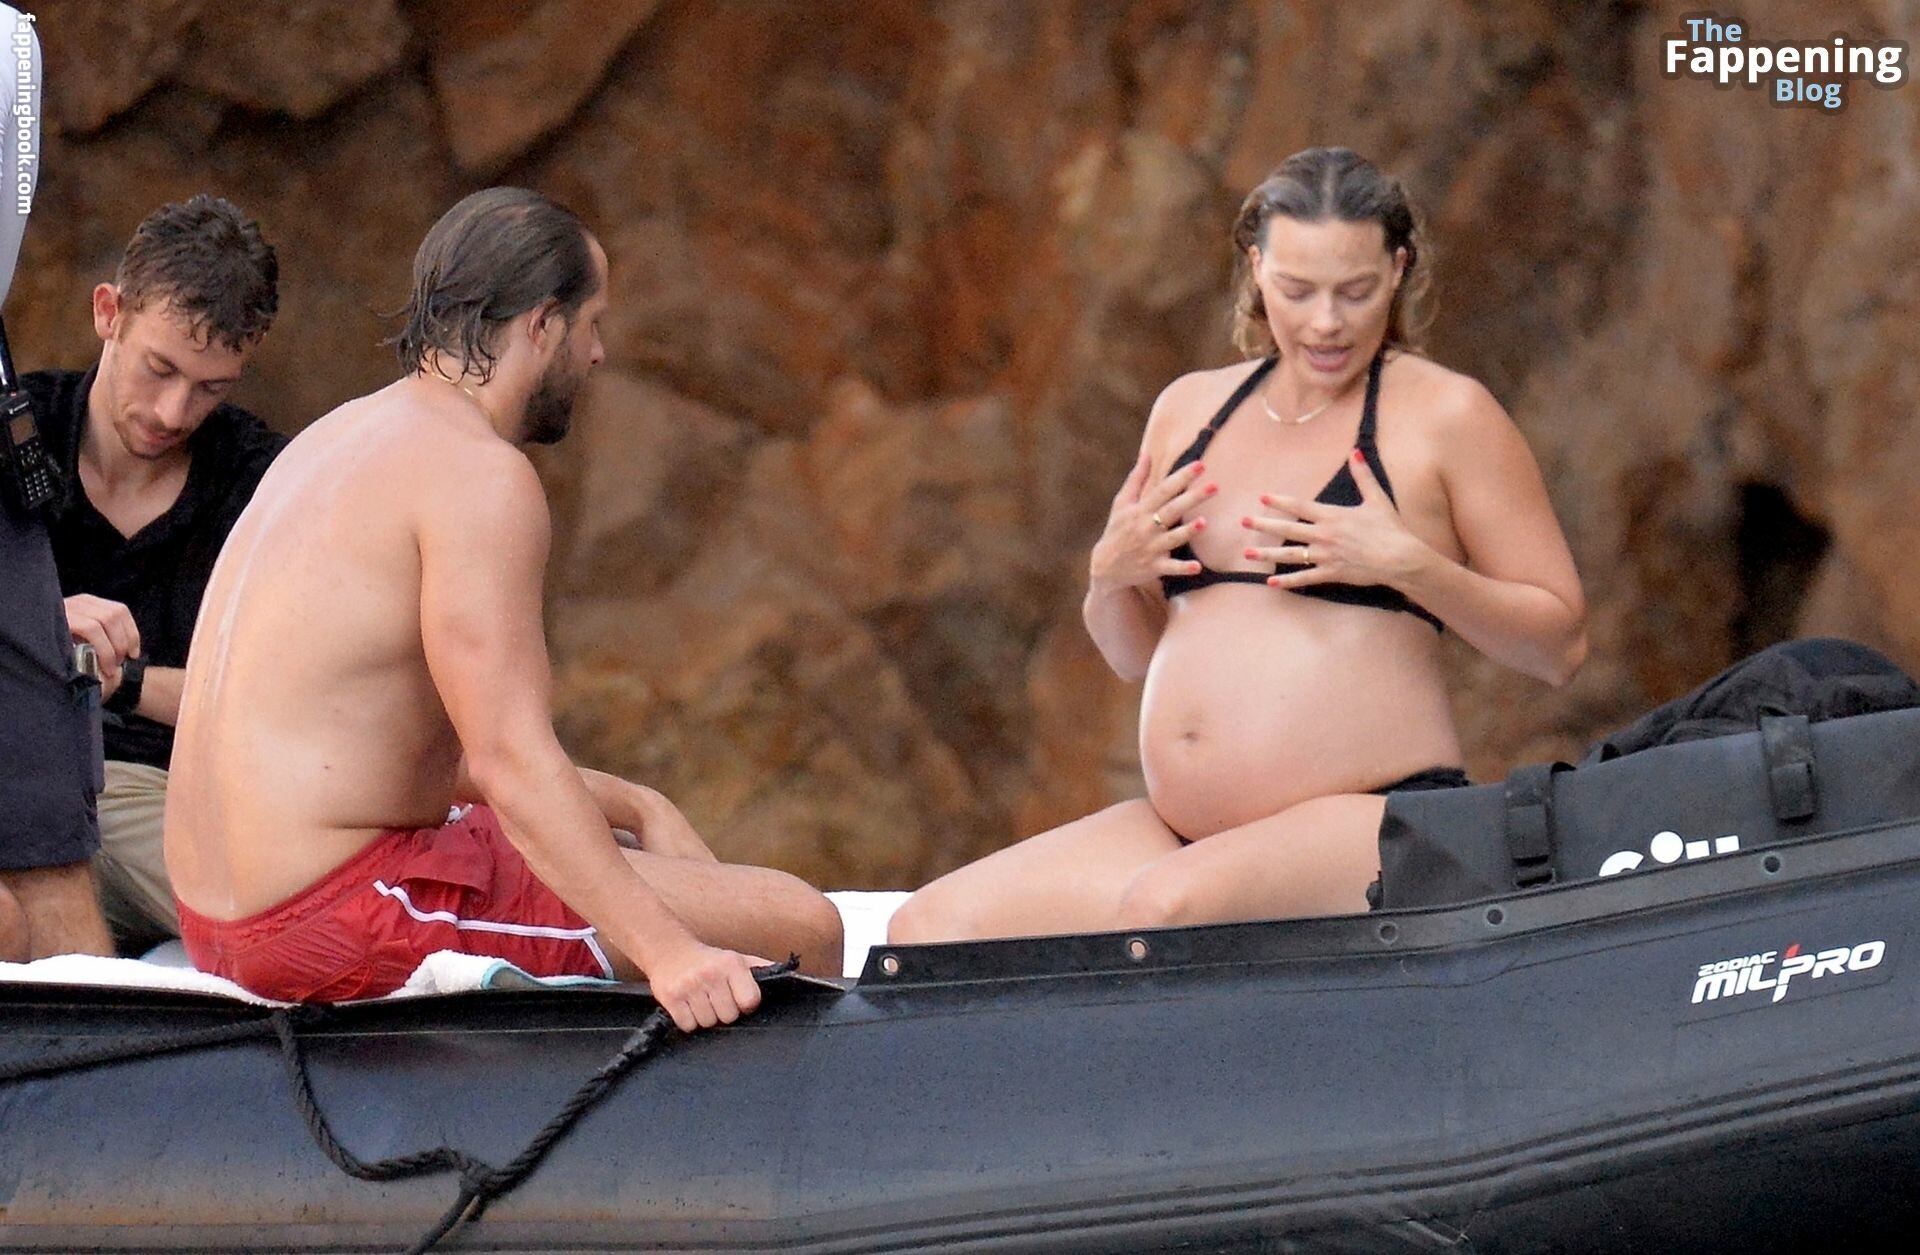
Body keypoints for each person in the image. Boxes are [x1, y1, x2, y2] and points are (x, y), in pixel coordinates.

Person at [165, 188, 842, 1029]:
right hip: (330, 916)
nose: (598, 354)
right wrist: (673, 953)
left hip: (216, 912)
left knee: (608, 847)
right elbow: (509, 763)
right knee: (799, 925)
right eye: (592, 323)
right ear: (542, 324)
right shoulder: (480, 477)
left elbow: (370, 747)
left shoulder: (332, 439)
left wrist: (635, 804)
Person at [890, 147, 1587, 942]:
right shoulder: (1188, 410)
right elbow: (1134, 655)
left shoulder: (1447, 415)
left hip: (1375, 818)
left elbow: (1559, 646)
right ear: (1256, 268)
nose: (1326, 322)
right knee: (928, 929)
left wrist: (1410, 567)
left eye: (1355, 291)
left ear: (1398, 271)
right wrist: (1108, 579)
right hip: (1182, 835)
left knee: (1164, 911)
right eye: (1297, 289)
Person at [25, 195, 286, 955]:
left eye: (211, 388)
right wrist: (35, 626)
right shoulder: (21, 433)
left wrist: (123, 681)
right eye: (160, 369)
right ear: (108, 312)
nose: (174, 411)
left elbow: (282, 703)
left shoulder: (267, 482)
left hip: (188, 796)